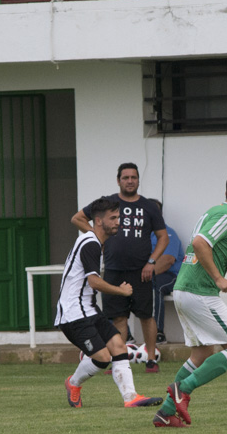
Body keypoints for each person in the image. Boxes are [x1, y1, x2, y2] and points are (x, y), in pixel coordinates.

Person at [153, 172, 227, 428]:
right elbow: (200, 244)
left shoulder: (213, 211)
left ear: (225, 193)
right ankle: (183, 390)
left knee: (202, 353)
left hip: (184, 289)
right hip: (200, 292)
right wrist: (219, 278)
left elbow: (204, 247)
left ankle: (165, 413)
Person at [58, 197, 162, 409]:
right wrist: (121, 291)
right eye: (113, 218)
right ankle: (73, 383)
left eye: (119, 217)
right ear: (98, 221)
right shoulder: (90, 243)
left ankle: (130, 397)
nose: (118, 222)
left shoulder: (94, 242)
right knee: (102, 357)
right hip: (73, 314)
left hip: (87, 309)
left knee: (118, 345)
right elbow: (94, 282)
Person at [71, 163, 169, 373]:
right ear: (118, 180)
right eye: (125, 177)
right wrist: (95, 235)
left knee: (145, 315)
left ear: (138, 180)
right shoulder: (108, 203)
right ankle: (119, 360)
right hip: (114, 269)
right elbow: (77, 218)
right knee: (118, 317)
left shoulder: (149, 207)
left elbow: (163, 237)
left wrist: (151, 262)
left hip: (141, 271)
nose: (130, 181)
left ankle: (151, 359)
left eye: (133, 177)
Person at [148, 199, 184, 344]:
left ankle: (158, 333)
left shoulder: (168, 234)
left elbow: (167, 261)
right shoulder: (143, 235)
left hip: (172, 275)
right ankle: (125, 335)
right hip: (150, 275)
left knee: (156, 286)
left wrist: (143, 275)